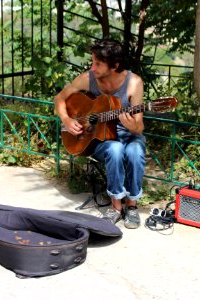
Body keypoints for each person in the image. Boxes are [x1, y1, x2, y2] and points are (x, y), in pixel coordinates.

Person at [54, 38, 146, 229]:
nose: (92, 67)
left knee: (135, 152)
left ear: (115, 65)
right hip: (100, 139)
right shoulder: (88, 78)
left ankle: (132, 205)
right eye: (92, 61)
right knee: (115, 149)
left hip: (128, 135)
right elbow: (60, 99)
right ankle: (115, 207)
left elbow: (139, 127)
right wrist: (67, 120)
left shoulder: (134, 83)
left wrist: (131, 125)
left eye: (98, 63)